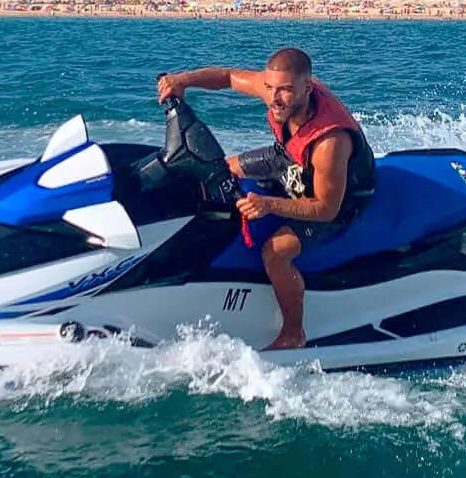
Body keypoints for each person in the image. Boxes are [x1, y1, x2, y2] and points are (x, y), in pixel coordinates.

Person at [157, 48, 375, 350]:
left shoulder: (330, 142)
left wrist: (268, 204)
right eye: (271, 88)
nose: (274, 98)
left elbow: (326, 208)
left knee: (275, 251)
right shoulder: (274, 89)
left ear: (307, 88)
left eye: (285, 90)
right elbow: (228, 77)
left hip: (343, 197)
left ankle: (293, 333)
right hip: (288, 158)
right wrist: (183, 80)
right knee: (217, 172)